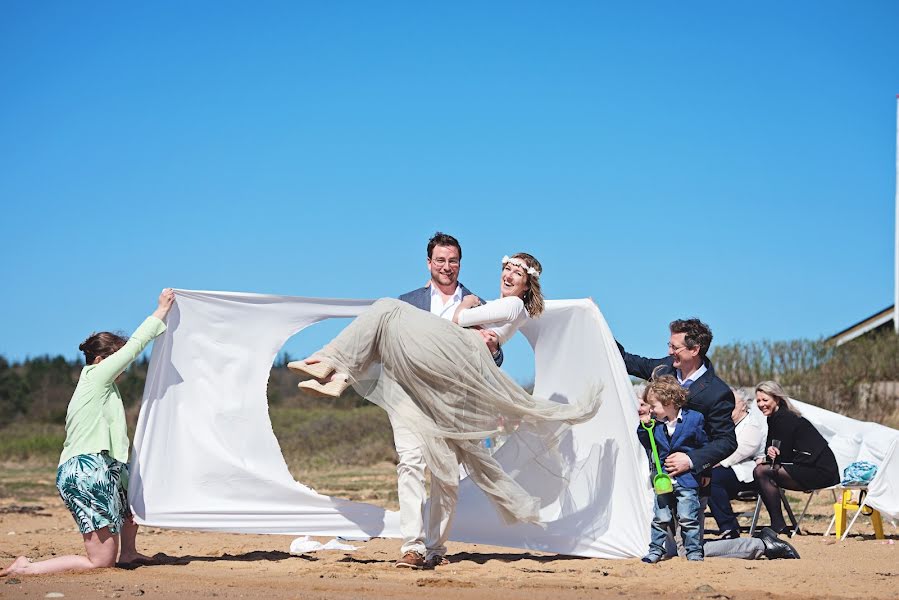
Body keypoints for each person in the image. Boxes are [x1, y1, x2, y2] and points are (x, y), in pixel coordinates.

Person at [289, 251, 601, 568]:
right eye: (505, 268)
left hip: (453, 388)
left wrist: (467, 310)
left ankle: (434, 547)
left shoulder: (500, 303)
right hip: (412, 390)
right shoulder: (435, 301)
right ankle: (337, 370)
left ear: (526, 283)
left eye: (515, 273)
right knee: (410, 461)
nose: (507, 275)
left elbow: (464, 325)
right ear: (429, 263)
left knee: (446, 472)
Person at [1, 289, 175, 577]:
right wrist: (160, 311)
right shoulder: (95, 377)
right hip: (85, 470)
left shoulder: (105, 388)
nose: (124, 366)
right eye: (117, 359)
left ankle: (129, 554)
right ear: (100, 359)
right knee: (101, 562)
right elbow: (135, 347)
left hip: (104, 465)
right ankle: (27, 568)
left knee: (130, 503)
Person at [618, 319, 798, 560]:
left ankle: (762, 545)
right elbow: (627, 360)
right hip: (659, 475)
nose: (669, 352)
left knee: (684, 550)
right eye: (669, 345)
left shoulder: (717, 392)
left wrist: (691, 460)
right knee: (665, 546)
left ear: (695, 350)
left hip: (693, 479)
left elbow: (726, 441)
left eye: (675, 347)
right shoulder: (663, 370)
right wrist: (594, 321)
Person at [754, 380, 840, 534]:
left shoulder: (785, 418)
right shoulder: (774, 417)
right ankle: (778, 524)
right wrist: (770, 450)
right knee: (762, 472)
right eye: (758, 401)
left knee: (761, 472)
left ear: (777, 398)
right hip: (804, 465)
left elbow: (785, 454)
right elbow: (772, 445)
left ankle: (778, 525)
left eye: (765, 400)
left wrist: (771, 456)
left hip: (820, 470)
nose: (761, 404)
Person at [637, 376, 707, 563]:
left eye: (653, 406)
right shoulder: (654, 423)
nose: (650, 410)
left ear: (668, 402)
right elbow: (646, 442)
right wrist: (644, 426)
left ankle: (693, 552)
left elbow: (703, 447)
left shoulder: (695, 419)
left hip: (686, 478)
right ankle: (655, 550)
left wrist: (702, 469)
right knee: (660, 517)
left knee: (688, 517)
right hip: (663, 478)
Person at [708, 389, 766, 539]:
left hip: (747, 472)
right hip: (725, 469)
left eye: (732, 402)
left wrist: (715, 462)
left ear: (743, 405)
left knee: (712, 478)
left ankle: (729, 527)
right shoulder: (722, 424)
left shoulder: (752, 424)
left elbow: (743, 450)